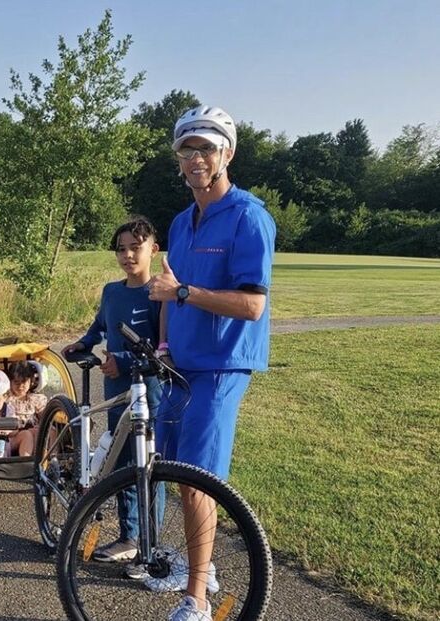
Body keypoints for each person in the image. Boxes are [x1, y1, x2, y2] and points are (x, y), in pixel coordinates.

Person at [147, 105, 276, 621]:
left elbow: (252, 305)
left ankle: (196, 600)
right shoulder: (182, 222)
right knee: (173, 470)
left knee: (198, 479)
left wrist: (185, 292)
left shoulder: (249, 217)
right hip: (179, 366)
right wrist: (162, 347)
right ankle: (204, 569)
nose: (195, 158)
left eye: (206, 147)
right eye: (187, 149)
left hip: (221, 367)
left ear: (228, 153)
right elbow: (166, 291)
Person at [61, 216, 163, 568]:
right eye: (121, 249)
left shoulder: (159, 293)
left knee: (149, 466)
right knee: (121, 465)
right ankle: (129, 537)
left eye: (136, 247)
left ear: (153, 249)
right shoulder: (111, 291)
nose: (128, 255)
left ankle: (152, 543)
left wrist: (123, 359)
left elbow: (160, 346)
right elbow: (99, 326)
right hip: (118, 391)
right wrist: (84, 343)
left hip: (151, 393)